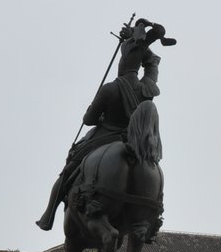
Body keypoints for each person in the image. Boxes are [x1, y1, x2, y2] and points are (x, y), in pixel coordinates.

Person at [36, 18, 171, 231]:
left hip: (104, 136)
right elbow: (152, 63)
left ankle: (48, 215)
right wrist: (141, 45)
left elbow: (89, 120)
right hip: (131, 139)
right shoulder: (147, 88)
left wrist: (133, 41)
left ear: (122, 62)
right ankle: (154, 219)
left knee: (68, 169)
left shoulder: (110, 88)